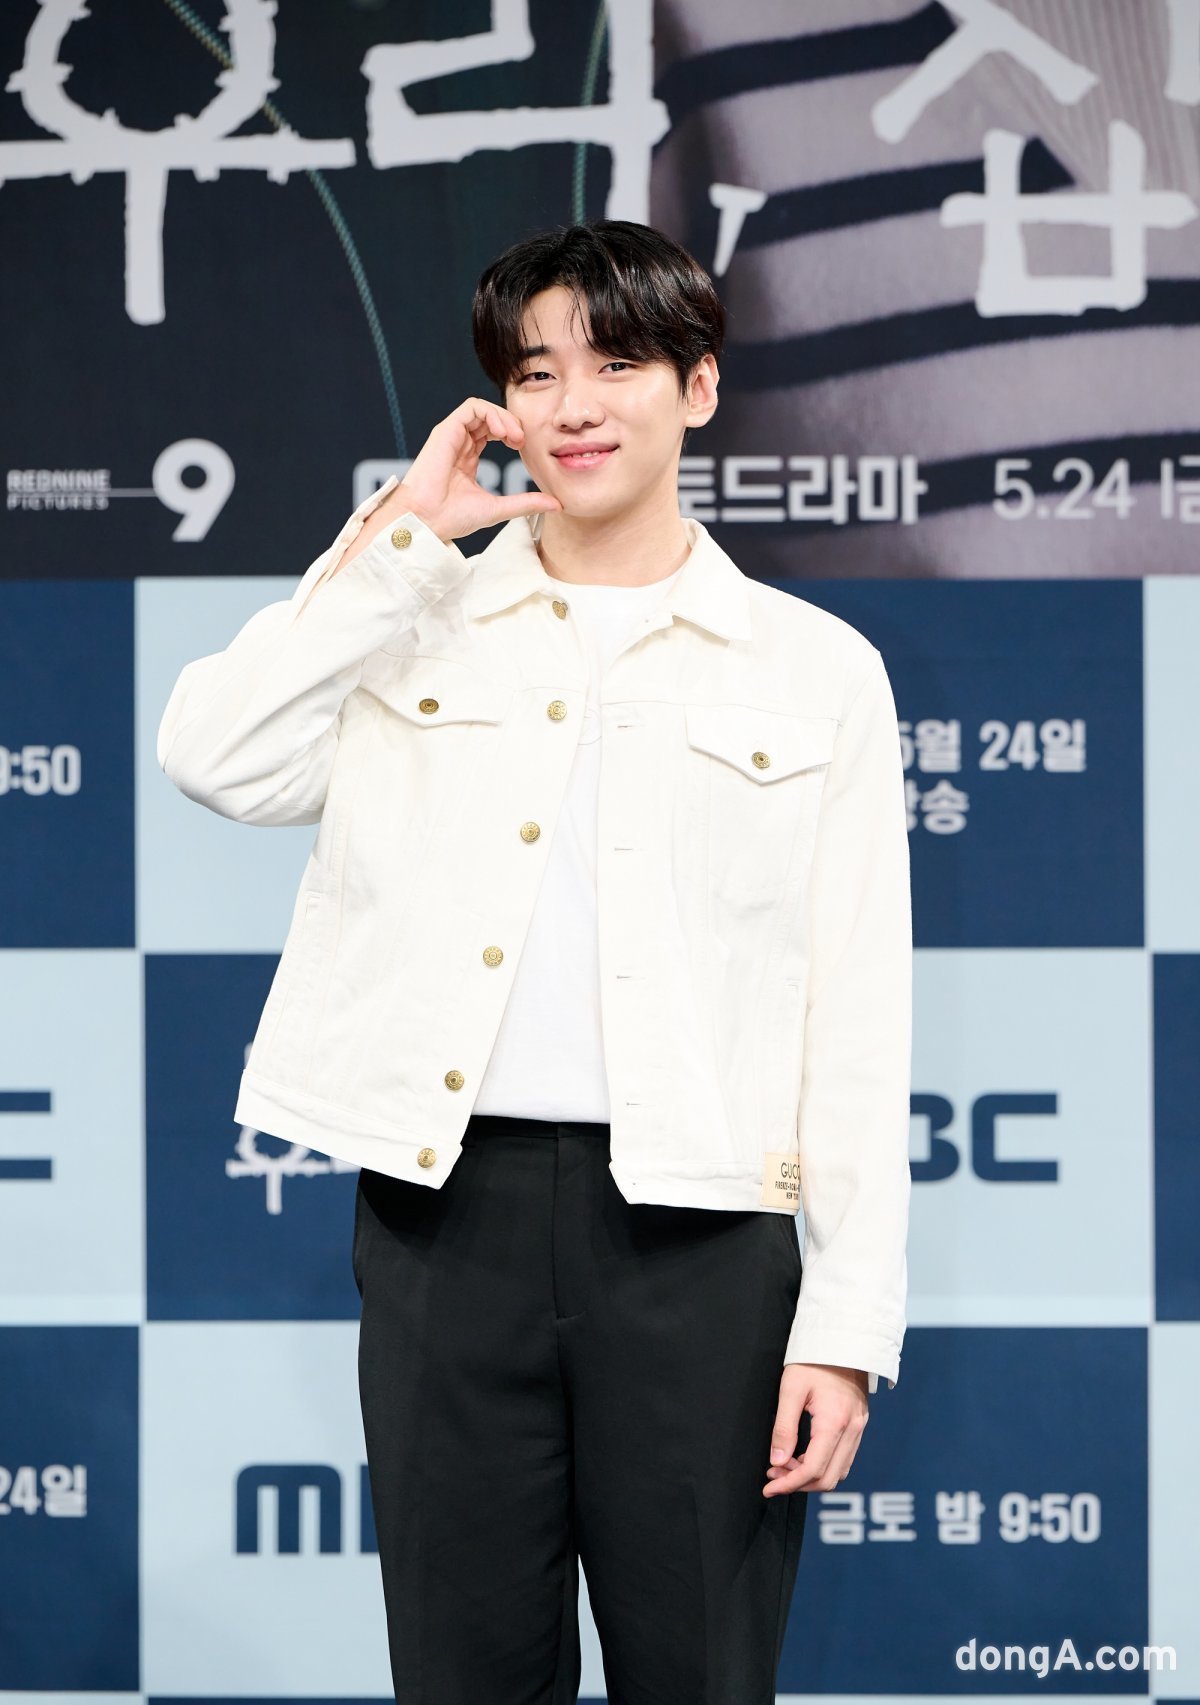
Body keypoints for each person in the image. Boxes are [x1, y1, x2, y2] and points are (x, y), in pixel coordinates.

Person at [157, 218, 912, 1705]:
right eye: (536, 371)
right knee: (463, 1677)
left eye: (616, 365)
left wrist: (843, 1324)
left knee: (700, 1674)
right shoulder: (415, 616)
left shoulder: (815, 666)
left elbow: (859, 1009)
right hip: (449, 1222)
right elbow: (212, 754)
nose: (573, 407)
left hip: (704, 1238)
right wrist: (400, 540)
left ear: (699, 387)